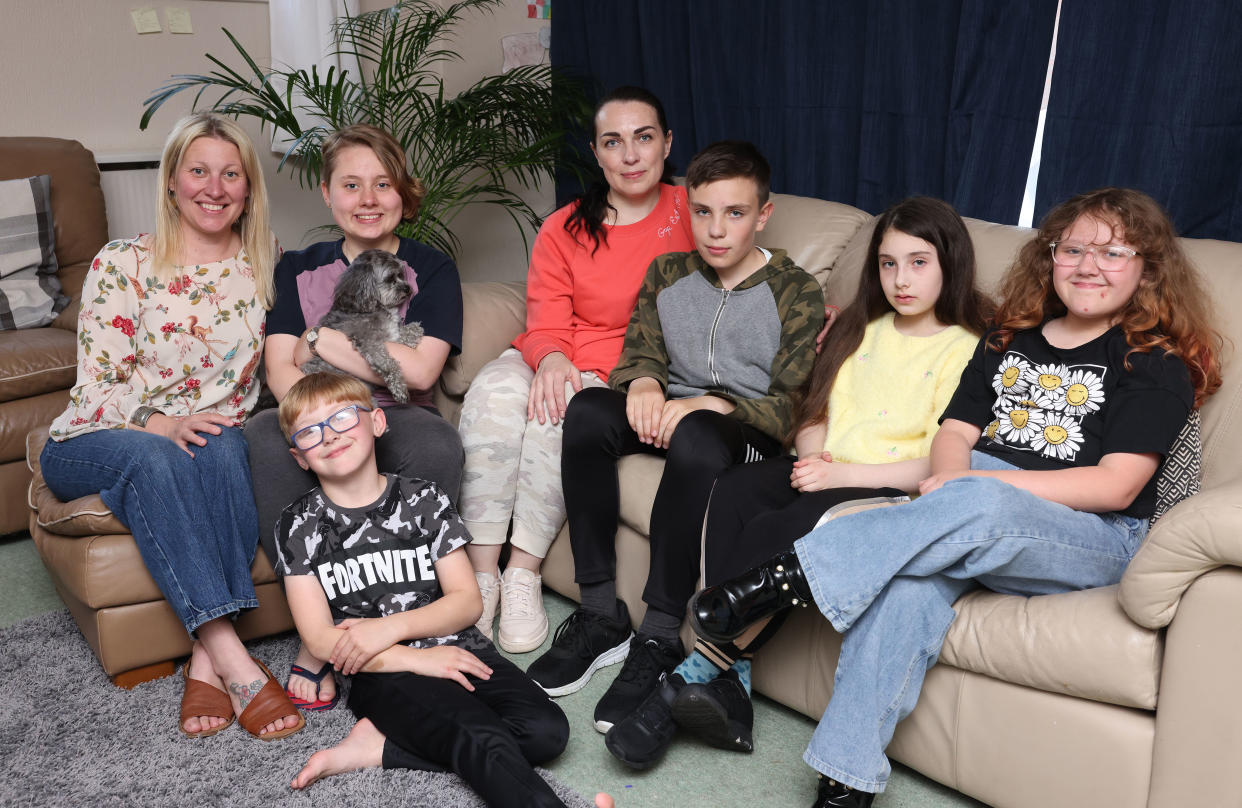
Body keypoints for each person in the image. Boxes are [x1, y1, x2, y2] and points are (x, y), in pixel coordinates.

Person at [689, 188, 1223, 807]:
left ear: (1148, 268)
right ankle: (844, 785)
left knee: (981, 502)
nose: (1087, 266)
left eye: (1112, 253)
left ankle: (786, 577)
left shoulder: (1149, 360)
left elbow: (1116, 484)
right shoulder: (1009, 339)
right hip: (973, 512)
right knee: (905, 591)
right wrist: (948, 480)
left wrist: (974, 486)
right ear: (1050, 257)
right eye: (1072, 249)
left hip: (1090, 533)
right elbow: (955, 434)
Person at [603, 197, 991, 769]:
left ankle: (685, 682)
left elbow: (940, 460)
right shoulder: (861, 327)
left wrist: (840, 476)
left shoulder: (970, 348)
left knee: (785, 526)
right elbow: (812, 411)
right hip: (826, 468)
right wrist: (814, 460)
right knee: (735, 490)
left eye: (918, 262)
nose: (901, 280)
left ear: (950, 264)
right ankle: (730, 682)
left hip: (888, 488)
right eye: (888, 264)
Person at [526, 140, 826, 735]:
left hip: (743, 433)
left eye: (735, 213)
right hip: (676, 414)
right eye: (703, 212)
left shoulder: (796, 289)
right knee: (587, 410)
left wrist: (715, 403)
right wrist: (640, 383)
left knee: (696, 435)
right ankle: (598, 612)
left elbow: (791, 401)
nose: (716, 230)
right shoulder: (668, 273)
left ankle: (659, 635)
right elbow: (641, 351)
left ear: (763, 215)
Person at [39, 112, 303, 740]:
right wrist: (162, 422)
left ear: (248, 189)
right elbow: (98, 385)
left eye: (231, 174)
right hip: (99, 436)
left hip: (212, 437)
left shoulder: (267, 265)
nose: (214, 188)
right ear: (171, 183)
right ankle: (233, 659)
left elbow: (290, 355)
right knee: (160, 456)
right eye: (199, 171)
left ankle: (203, 667)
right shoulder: (124, 262)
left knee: (228, 444)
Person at [457, 86, 694, 653]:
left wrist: (806, 303)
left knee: (554, 415)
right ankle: (481, 577)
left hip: (618, 375)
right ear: (596, 152)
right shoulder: (564, 226)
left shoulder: (694, 213)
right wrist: (552, 357)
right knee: (492, 398)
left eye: (644, 138)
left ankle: (523, 574)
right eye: (614, 142)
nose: (631, 155)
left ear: (667, 143)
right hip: (554, 352)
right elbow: (543, 319)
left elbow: (749, 266)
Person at [244, 123, 465, 711]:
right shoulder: (299, 268)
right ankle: (321, 637)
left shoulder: (434, 270)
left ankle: (404, 614)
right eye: (351, 185)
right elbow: (280, 373)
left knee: (439, 445)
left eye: (382, 184)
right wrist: (329, 418)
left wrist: (323, 341)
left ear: (402, 194)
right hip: (312, 414)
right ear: (327, 193)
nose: (367, 200)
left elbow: (418, 375)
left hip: (397, 415)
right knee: (266, 438)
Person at [274, 372, 570, 808]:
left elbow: (467, 602)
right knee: (478, 733)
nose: (329, 436)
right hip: (382, 671)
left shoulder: (424, 499)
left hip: (459, 647)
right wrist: (416, 658)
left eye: (341, 418)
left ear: (376, 422)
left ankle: (379, 749)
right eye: (310, 432)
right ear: (299, 456)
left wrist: (387, 627)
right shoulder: (298, 524)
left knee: (546, 733)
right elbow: (320, 638)